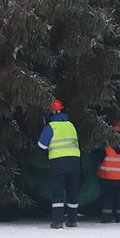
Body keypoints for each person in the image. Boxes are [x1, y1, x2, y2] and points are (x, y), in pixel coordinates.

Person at [37, 98, 81, 229]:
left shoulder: (51, 127)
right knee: (72, 191)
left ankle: (58, 221)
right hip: (74, 163)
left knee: (58, 192)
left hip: (58, 163)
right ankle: (72, 220)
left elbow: (41, 145)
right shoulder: (71, 125)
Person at [97, 119, 120, 223]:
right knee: (119, 197)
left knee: (107, 197)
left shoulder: (106, 144)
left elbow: (99, 158)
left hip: (106, 176)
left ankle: (106, 217)